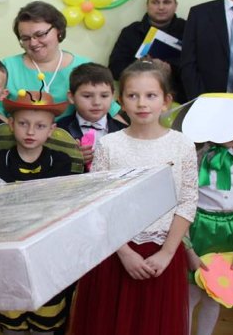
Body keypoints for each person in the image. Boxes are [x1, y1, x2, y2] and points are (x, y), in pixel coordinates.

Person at [71, 60, 198, 335]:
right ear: (121, 102)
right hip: (116, 252)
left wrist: (166, 253)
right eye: (132, 95)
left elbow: (188, 200)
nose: (142, 103)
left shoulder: (182, 144)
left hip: (162, 252)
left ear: (166, 101)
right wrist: (125, 253)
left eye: (151, 95)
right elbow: (99, 204)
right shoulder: (109, 145)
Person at [0, 89, 75, 335]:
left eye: (40, 126)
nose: (30, 132)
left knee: (48, 307)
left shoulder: (61, 161)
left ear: (51, 130)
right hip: (7, 243)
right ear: (11, 124)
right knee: (10, 303)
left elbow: (58, 206)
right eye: (23, 123)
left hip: (47, 246)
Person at [173, 95, 233, 335]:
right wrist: (188, 248)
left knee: (217, 293)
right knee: (191, 292)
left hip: (230, 232)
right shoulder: (195, 159)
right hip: (199, 227)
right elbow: (182, 204)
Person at [0, 1, 121, 120]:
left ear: (58, 31)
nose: (33, 43)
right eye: (25, 38)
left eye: (40, 35)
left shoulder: (84, 67)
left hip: (74, 137)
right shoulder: (7, 67)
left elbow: (109, 111)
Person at [108, 0, 186, 102]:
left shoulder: (188, 30)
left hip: (179, 98)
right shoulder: (131, 31)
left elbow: (200, 68)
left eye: (166, 2)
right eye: (155, 2)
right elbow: (115, 68)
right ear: (147, 5)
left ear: (175, 5)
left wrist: (171, 69)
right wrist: (141, 65)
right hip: (137, 97)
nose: (161, 7)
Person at [57, 62, 127, 170]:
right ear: (71, 97)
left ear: (112, 96)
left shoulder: (124, 131)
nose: (96, 102)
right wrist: (71, 160)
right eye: (87, 96)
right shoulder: (59, 130)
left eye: (104, 96)